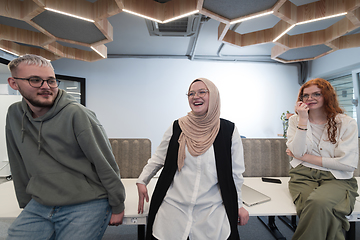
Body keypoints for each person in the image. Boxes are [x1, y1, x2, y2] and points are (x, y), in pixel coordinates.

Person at [5, 54, 125, 240]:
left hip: (86, 201)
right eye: (35, 80)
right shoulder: (14, 114)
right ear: (14, 83)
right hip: (41, 202)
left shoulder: (77, 114)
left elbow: (106, 164)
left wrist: (117, 205)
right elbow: (17, 162)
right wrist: (25, 203)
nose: (46, 87)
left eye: (51, 81)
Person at [136, 78, 249, 240]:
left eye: (202, 92)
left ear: (214, 96)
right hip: (174, 207)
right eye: (191, 93)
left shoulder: (228, 130)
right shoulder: (177, 127)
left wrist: (238, 205)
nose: (196, 96)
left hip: (211, 210)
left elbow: (236, 174)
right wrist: (142, 180)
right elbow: (158, 158)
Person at [286, 78, 359, 240]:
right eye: (305, 95)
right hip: (303, 175)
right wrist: (303, 119)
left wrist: (304, 157)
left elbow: (347, 164)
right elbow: (297, 150)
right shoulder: (295, 120)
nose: (310, 98)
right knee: (317, 210)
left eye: (316, 94)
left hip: (337, 177)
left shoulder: (346, 123)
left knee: (318, 203)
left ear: (327, 96)